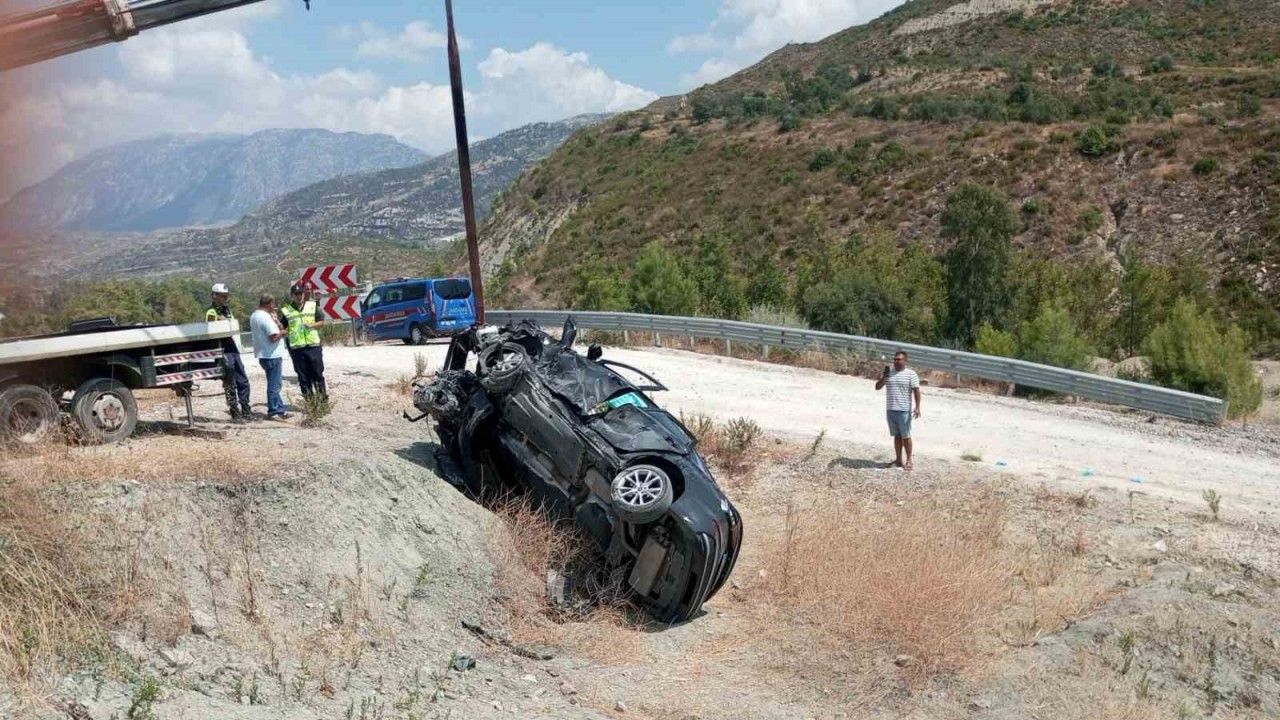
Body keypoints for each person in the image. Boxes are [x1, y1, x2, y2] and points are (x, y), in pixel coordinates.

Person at [206, 283, 253, 420]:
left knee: (242, 378)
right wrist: (223, 321)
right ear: (214, 296)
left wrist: (225, 321)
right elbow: (213, 327)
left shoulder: (227, 310)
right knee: (229, 380)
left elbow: (232, 324)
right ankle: (234, 411)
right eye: (222, 296)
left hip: (231, 346)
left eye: (226, 296)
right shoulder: (211, 312)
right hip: (221, 347)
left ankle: (246, 408)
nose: (225, 299)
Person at [279, 282, 328, 400]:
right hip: (297, 349)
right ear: (292, 295)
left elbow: (322, 322)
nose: (299, 296)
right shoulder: (287, 311)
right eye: (296, 294)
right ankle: (310, 403)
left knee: (317, 374)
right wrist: (280, 328)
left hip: (313, 347)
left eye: (300, 293)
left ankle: (322, 402)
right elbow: (283, 328)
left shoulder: (312, 306)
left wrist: (312, 325)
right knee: (303, 378)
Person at [875, 350, 921, 470]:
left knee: (906, 436)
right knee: (897, 436)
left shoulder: (911, 374)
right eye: (895, 359)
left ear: (905, 361)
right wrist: (884, 378)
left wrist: (917, 407)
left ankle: (909, 460)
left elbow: (916, 390)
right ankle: (898, 460)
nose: (896, 361)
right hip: (891, 409)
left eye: (899, 359)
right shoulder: (889, 373)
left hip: (904, 410)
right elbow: (877, 387)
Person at [250, 294, 290, 422]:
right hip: (271, 354)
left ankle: (280, 410)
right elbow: (273, 337)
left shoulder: (254, 315)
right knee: (274, 385)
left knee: (275, 383)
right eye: (273, 304)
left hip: (263, 354)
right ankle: (273, 411)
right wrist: (284, 332)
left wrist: (277, 321)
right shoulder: (265, 317)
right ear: (270, 304)